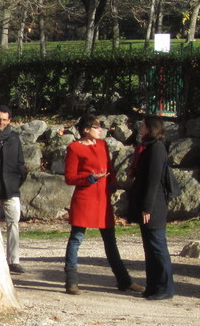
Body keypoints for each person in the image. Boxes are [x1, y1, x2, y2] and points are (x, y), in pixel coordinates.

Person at [62, 114, 142, 295]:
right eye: (96, 127)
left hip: (103, 199)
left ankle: (124, 281)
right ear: (86, 129)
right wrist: (90, 178)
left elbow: (110, 168)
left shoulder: (102, 145)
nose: (100, 130)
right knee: (76, 239)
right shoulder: (74, 148)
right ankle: (71, 281)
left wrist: (112, 185)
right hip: (85, 199)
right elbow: (70, 178)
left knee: (110, 241)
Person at [126, 115, 174, 300]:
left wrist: (148, 207)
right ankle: (153, 286)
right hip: (147, 205)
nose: (141, 128)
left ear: (152, 128)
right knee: (150, 247)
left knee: (158, 246)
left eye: (144, 126)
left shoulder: (157, 148)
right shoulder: (147, 146)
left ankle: (165, 287)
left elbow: (153, 181)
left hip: (155, 206)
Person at [0, 106, 27, 274]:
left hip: (11, 188)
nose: (1, 122)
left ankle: (13, 260)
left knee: (14, 224)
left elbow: (20, 162)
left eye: (5, 119)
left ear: (10, 120)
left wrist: (18, 178)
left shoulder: (14, 138)